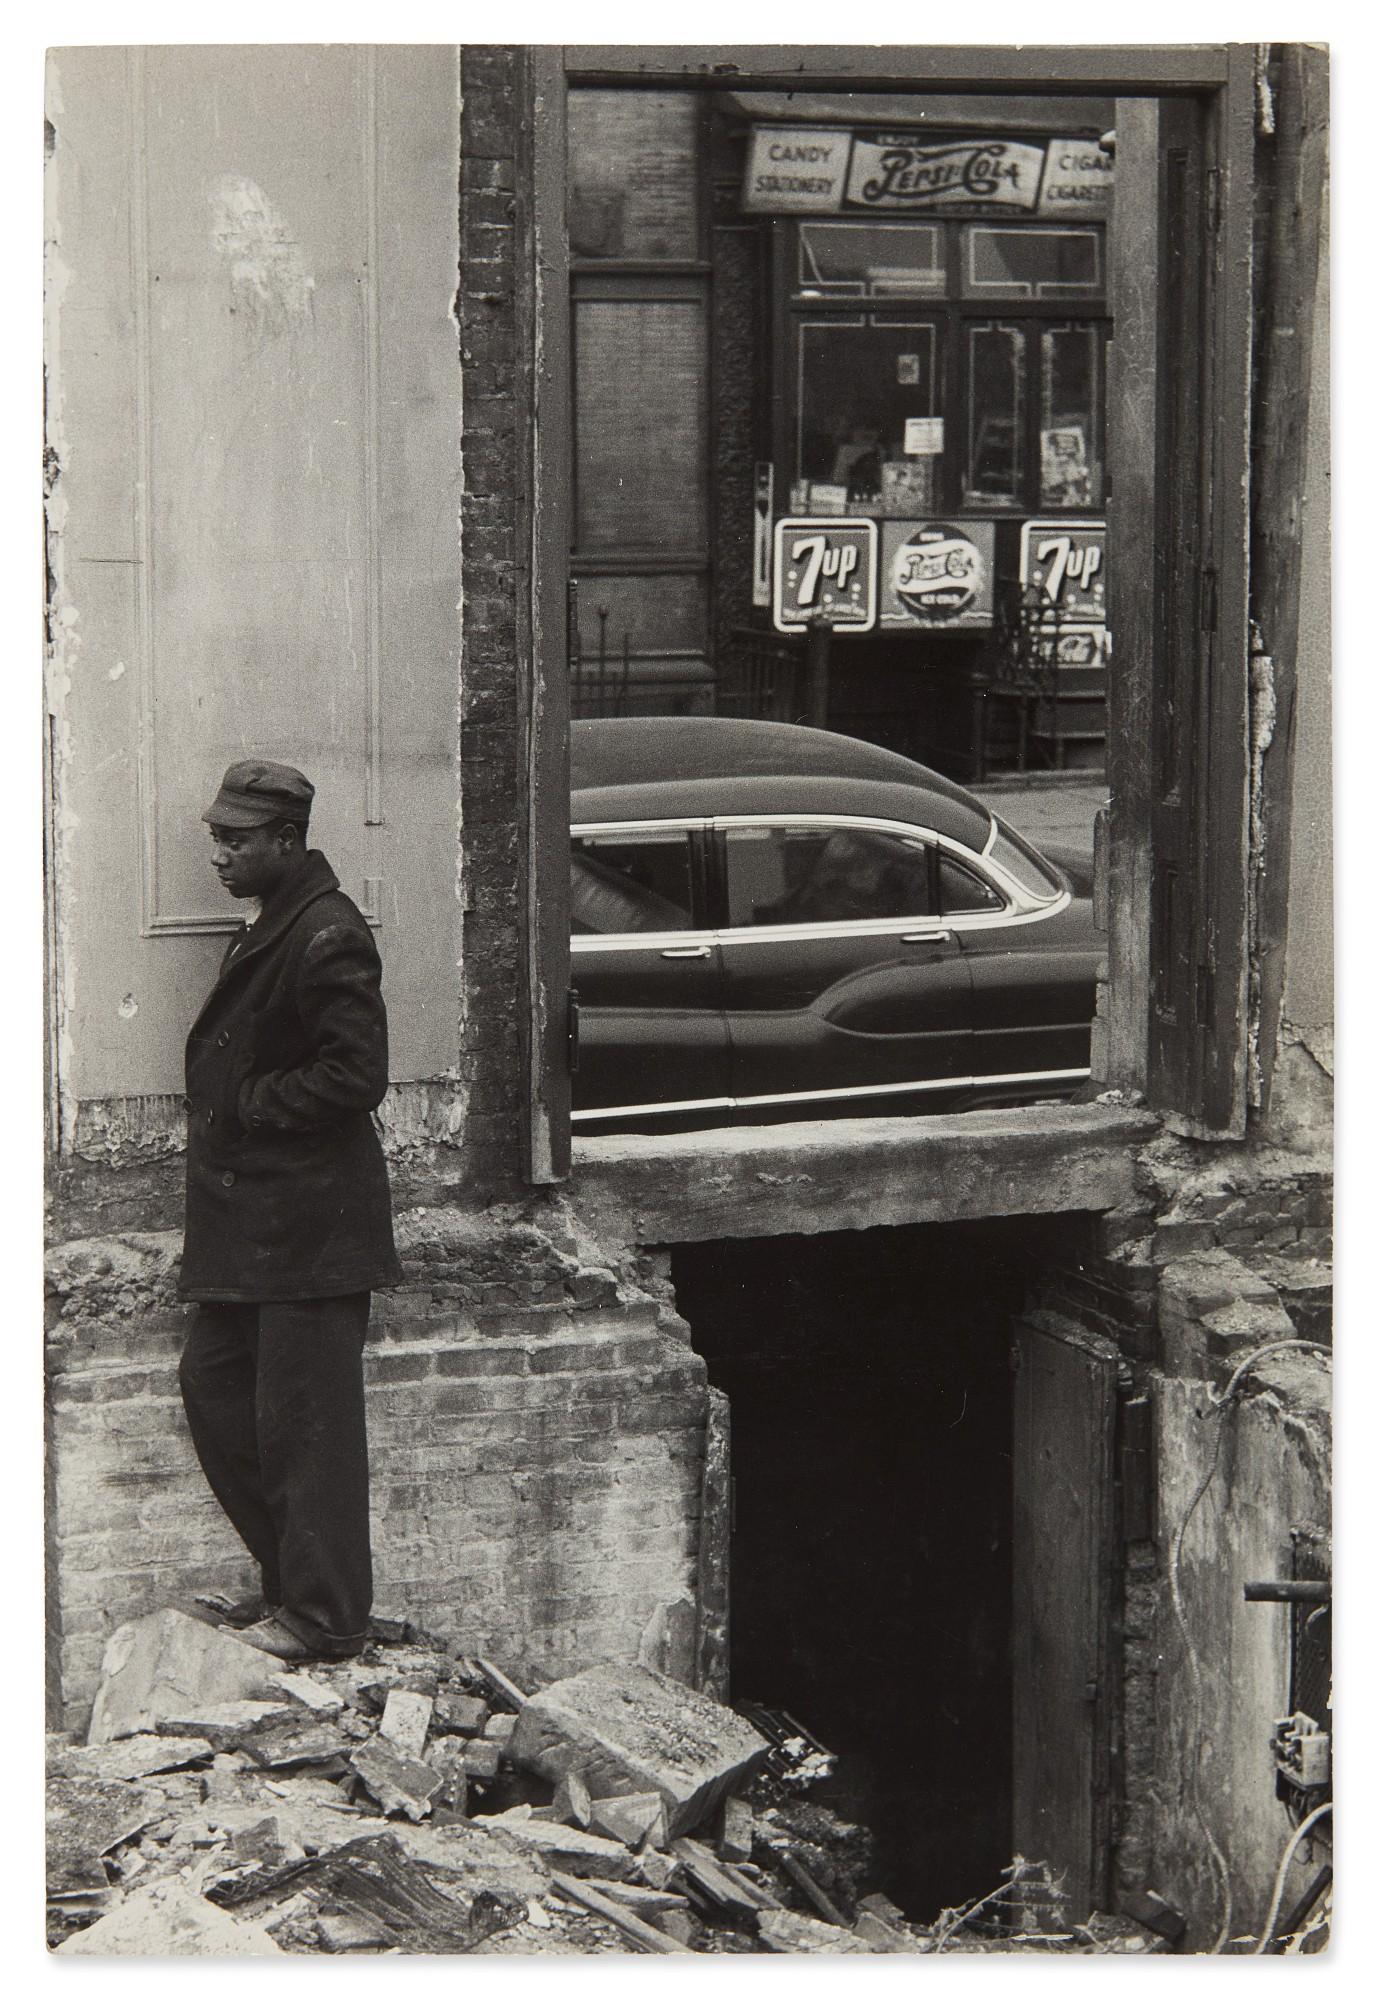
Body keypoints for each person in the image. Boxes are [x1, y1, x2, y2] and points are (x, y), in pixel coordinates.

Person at [177, 760, 401, 1662]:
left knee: (309, 1433)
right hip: (256, 1225)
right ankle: (293, 1590)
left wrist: (251, 1105)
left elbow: (356, 1075)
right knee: (215, 1388)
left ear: (287, 840)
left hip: (309, 1228)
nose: (221, 854)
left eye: (237, 840)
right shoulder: (275, 922)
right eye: (217, 837)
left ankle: (327, 1619)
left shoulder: (326, 934)